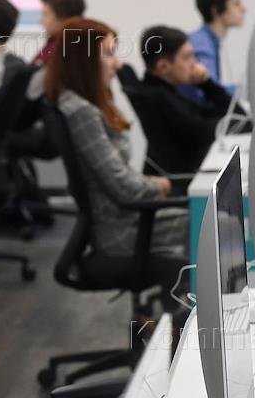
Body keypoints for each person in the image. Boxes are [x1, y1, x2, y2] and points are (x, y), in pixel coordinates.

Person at [45, 18, 185, 266]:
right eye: (109, 54)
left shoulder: (77, 103)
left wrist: (153, 183)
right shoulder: (82, 112)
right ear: (84, 61)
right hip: (122, 231)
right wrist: (162, 186)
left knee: (210, 215)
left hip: (129, 218)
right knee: (219, 222)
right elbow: (122, 187)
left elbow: (117, 176)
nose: (117, 64)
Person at [137, 25, 233, 174]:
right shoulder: (161, 99)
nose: (195, 63)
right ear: (163, 66)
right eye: (187, 57)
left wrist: (206, 84)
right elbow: (224, 125)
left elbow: (228, 117)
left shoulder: (163, 91)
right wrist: (206, 83)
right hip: (186, 180)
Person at [181, 0, 247, 107]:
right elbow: (211, 94)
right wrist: (254, 92)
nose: (244, 8)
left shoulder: (209, 40)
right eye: (236, 4)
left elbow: (215, 88)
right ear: (216, 10)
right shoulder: (202, 46)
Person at [35, 0, 86, 66]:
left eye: (46, 14)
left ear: (63, 17)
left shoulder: (67, 51)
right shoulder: (54, 43)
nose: (41, 21)